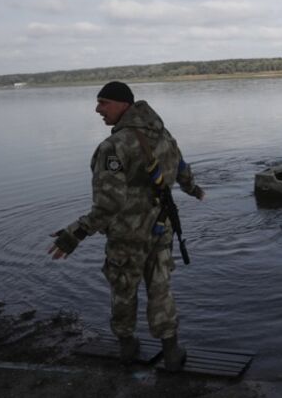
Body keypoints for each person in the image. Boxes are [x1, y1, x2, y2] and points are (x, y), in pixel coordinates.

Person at [47, 81, 204, 372]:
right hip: (161, 228)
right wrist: (193, 189)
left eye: (103, 103)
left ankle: (128, 347)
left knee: (123, 289)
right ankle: (171, 352)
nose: (97, 109)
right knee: (160, 288)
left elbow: (109, 204)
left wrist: (75, 234)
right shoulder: (162, 133)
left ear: (123, 104)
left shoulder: (114, 146)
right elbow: (181, 165)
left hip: (127, 236)